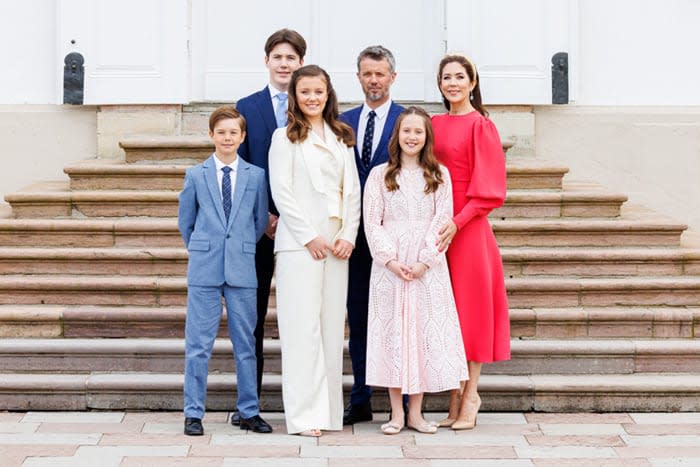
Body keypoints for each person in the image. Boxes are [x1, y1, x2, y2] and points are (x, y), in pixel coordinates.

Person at [363, 106, 468, 435]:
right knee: (394, 334)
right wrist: (390, 258)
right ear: (397, 135)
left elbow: (442, 221)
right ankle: (395, 412)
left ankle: (417, 413)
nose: (412, 137)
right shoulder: (380, 175)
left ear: (426, 138)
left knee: (420, 333)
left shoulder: (439, 175)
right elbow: (372, 221)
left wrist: (425, 259)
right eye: (406, 131)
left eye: (418, 132)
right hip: (390, 267)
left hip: (427, 266)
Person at [269, 65, 361, 437]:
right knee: (300, 330)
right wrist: (309, 236)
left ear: (328, 94)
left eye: (318, 91)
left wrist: (349, 235)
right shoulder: (284, 137)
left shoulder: (341, 136)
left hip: (337, 245)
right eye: (305, 91)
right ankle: (305, 417)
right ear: (295, 96)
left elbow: (351, 189)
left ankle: (329, 414)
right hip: (300, 246)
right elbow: (282, 192)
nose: (312, 98)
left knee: (329, 330)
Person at [178, 106, 272, 436]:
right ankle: (193, 413)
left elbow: (260, 221)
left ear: (242, 136)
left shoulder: (255, 176)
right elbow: (186, 222)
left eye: (233, 132)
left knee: (245, 343)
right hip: (205, 267)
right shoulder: (196, 175)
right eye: (221, 132)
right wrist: (204, 247)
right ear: (211, 135)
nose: (227, 137)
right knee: (199, 344)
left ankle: (248, 410)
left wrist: (240, 244)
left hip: (242, 267)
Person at [431, 54, 511, 430]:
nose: (453, 83)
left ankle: (471, 393)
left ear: (472, 83)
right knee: (445, 313)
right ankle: (452, 391)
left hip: (468, 228)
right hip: (437, 225)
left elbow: (490, 190)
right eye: (446, 77)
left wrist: (457, 222)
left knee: (470, 313)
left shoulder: (482, 126)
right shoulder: (433, 124)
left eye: (459, 77)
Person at [234, 28, 306, 426]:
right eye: (277, 57)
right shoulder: (247, 106)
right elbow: (241, 169)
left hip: (301, 230)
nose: (284, 64)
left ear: (300, 63)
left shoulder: (311, 104)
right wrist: (263, 218)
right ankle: (250, 405)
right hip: (259, 231)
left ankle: (306, 399)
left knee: (302, 314)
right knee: (253, 317)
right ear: (267, 61)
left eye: (291, 58)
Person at [338, 45, 404, 425]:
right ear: (359, 76)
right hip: (353, 239)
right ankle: (360, 397)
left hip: (395, 238)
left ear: (392, 77)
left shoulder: (407, 119)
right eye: (367, 73)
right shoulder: (343, 121)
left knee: (399, 317)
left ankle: (406, 397)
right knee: (358, 318)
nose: (374, 80)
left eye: (380, 74)